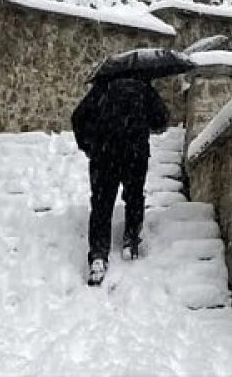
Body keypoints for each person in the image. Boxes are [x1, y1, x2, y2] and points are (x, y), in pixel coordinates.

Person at [71, 50, 183, 286]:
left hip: (104, 155)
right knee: (133, 196)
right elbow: (161, 119)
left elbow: (78, 118)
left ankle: (99, 257)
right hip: (134, 153)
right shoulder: (143, 88)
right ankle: (130, 240)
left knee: (101, 205)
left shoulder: (101, 88)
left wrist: (88, 146)